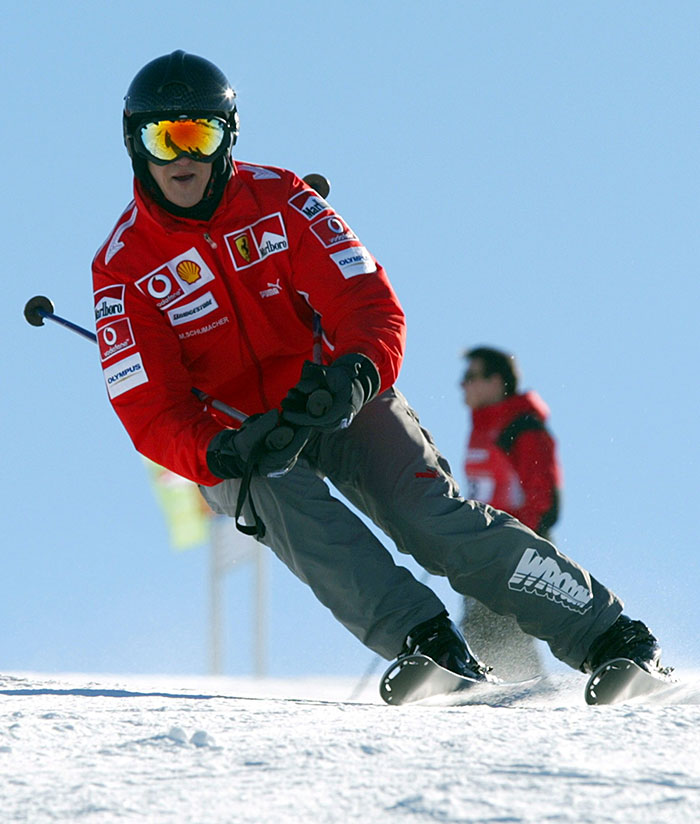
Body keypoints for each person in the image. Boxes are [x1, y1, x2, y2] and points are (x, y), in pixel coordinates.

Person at [92, 50, 667, 689]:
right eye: (160, 137)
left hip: (332, 395)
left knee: (429, 518)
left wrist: (356, 374)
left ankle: (613, 639)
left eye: (197, 134)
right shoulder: (124, 268)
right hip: (239, 437)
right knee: (289, 505)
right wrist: (220, 450)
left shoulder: (282, 201)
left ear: (228, 134)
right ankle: (429, 648)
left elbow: (366, 301)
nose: (182, 158)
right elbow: (149, 405)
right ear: (133, 143)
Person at [459, 347, 563, 679]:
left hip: (511, 545)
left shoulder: (520, 425)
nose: (463, 385)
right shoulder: (484, 426)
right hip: (485, 546)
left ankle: (519, 696)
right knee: (480, 625)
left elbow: (543, 496)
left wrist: (515, 542)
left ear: (496, 381)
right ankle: (503, 691)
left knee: (499, 626)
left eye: (471, 377)